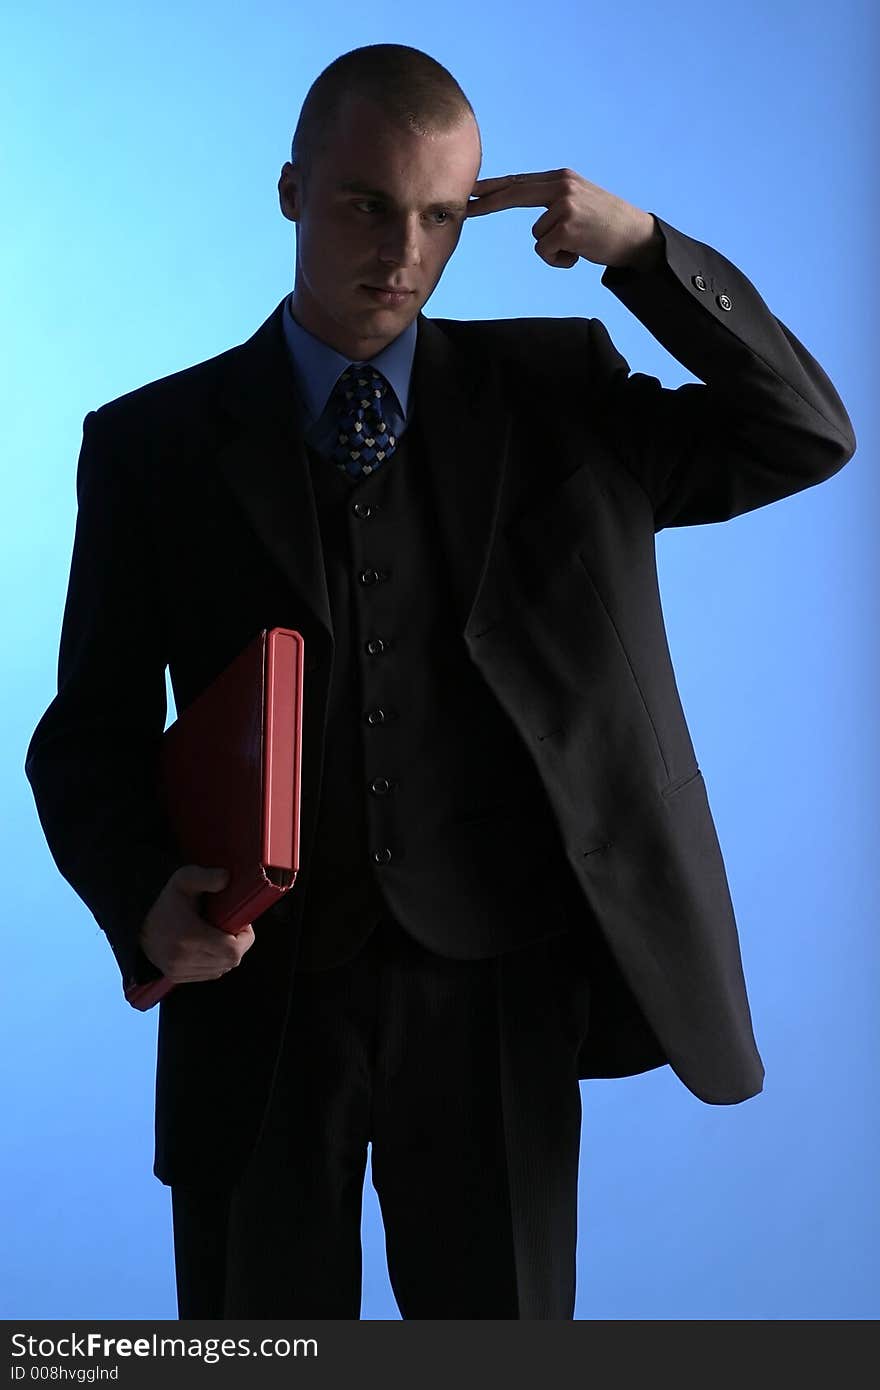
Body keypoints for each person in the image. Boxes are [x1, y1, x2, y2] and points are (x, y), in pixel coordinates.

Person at [24, 42, 856, 1320]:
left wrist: (646, 254)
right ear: (293, 189)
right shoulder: (150, 446)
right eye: (368, 204)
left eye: (442, 216)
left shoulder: (559, 392)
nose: (404, 251)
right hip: (257, 1003)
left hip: (499, 994)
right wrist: (143, 900)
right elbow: (86, 738)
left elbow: (802, 432)